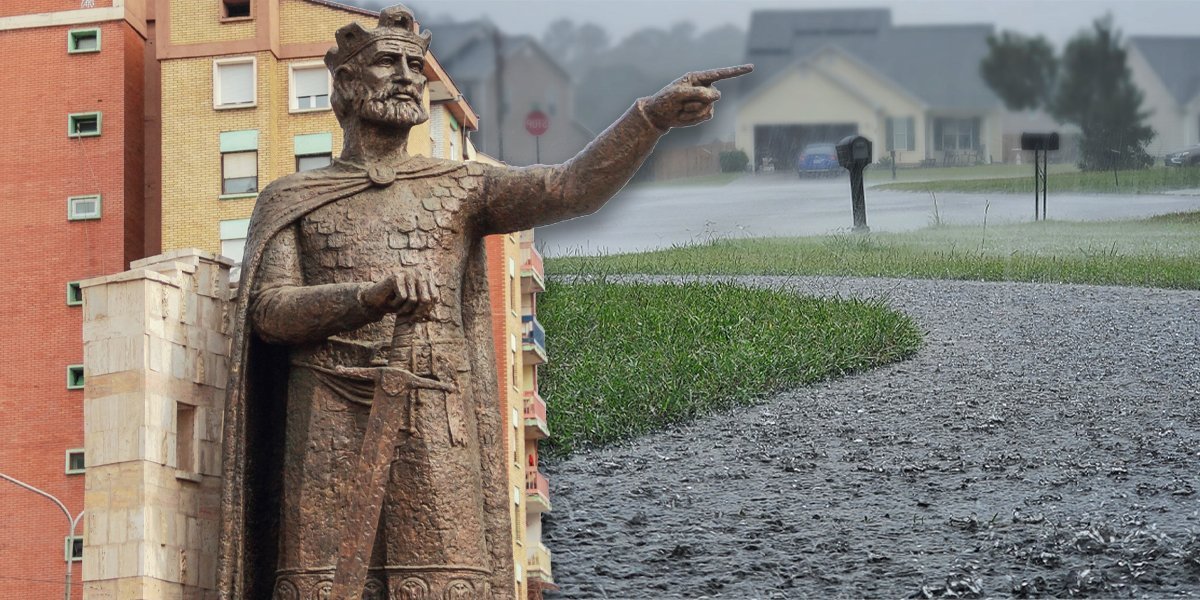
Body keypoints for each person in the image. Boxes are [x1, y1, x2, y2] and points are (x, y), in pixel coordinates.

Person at [217, 5, 750, 598]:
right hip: (326, 421)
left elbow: (569, 188)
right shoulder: (295, 196)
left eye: (414, 65)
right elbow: (269, 312)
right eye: (387, 63)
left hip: (436, 412)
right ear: (344, 84)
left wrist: (648, 119)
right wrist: (369, 296)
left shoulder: (461, 185)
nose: (406, 77)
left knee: (449, 581)